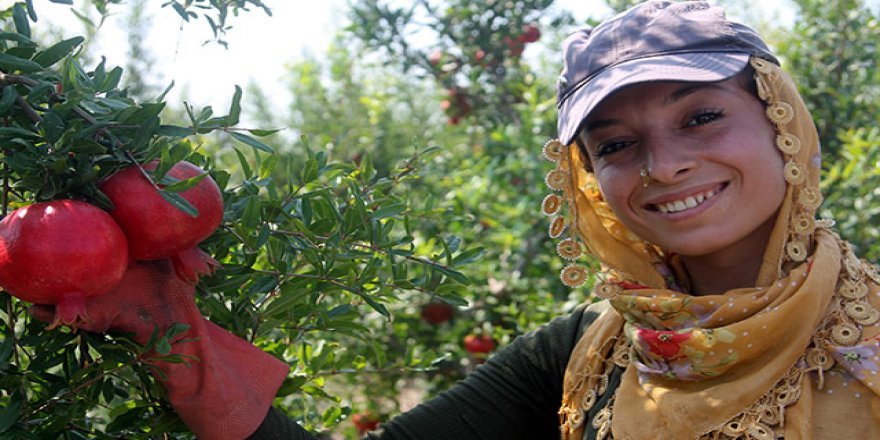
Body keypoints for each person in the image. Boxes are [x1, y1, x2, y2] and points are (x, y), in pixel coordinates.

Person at [34, 1, 880, 438]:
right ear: (589, 180)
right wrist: (174, 341)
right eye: (616, 143)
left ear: (783, 123)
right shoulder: (581, 356)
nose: (664, 166)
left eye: (701, 118)